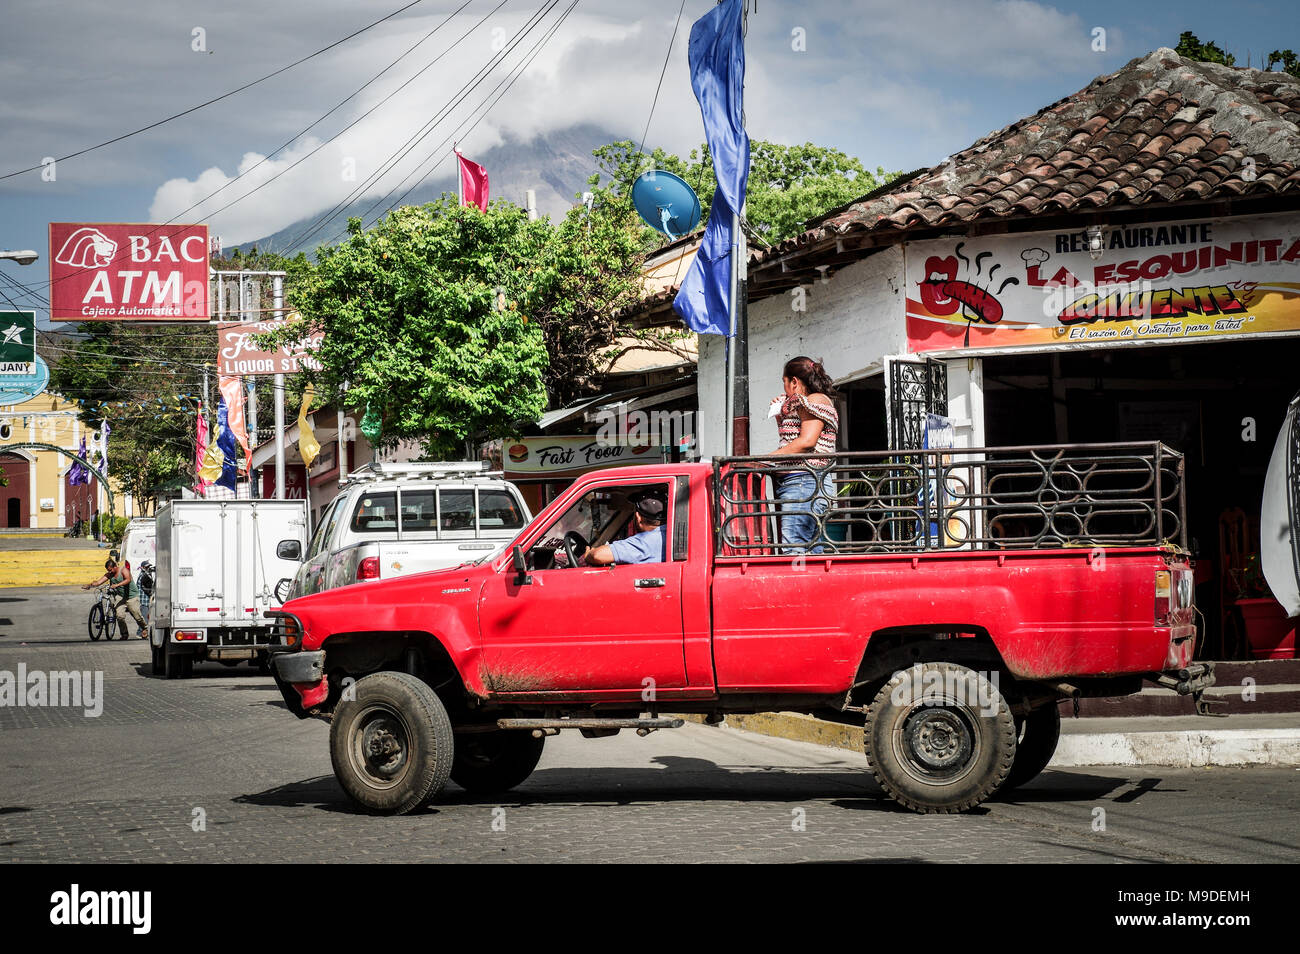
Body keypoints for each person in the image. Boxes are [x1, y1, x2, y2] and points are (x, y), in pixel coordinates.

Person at [769, 356, 840, 553]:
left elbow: (806, 442)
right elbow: (791, 439)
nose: (784, 389)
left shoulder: (815, 400)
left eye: (785, 383)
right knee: (809, 549)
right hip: (802, 483)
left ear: (794, 381)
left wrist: (766, 459)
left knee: (794, 547)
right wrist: (781, 413)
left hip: (804, 481)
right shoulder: (805, 403)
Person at [583, 494, 667, 566]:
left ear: (638, 517)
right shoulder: (667, 533)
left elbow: (597, 555)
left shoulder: (645, 542)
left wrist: (588, 555)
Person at [83, 558, 146, 640]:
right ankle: (124, 634)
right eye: (108, 570)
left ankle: (145, 628)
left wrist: (117, 585)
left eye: (110, 570)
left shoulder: (123, 570)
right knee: (119, 616)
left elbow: (128, 579)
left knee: (137, 616)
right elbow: (98, 582)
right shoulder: (110, 574)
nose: (109, 572)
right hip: (120, 597)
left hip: (132, 596)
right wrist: (90, 585)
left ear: (115, 567)